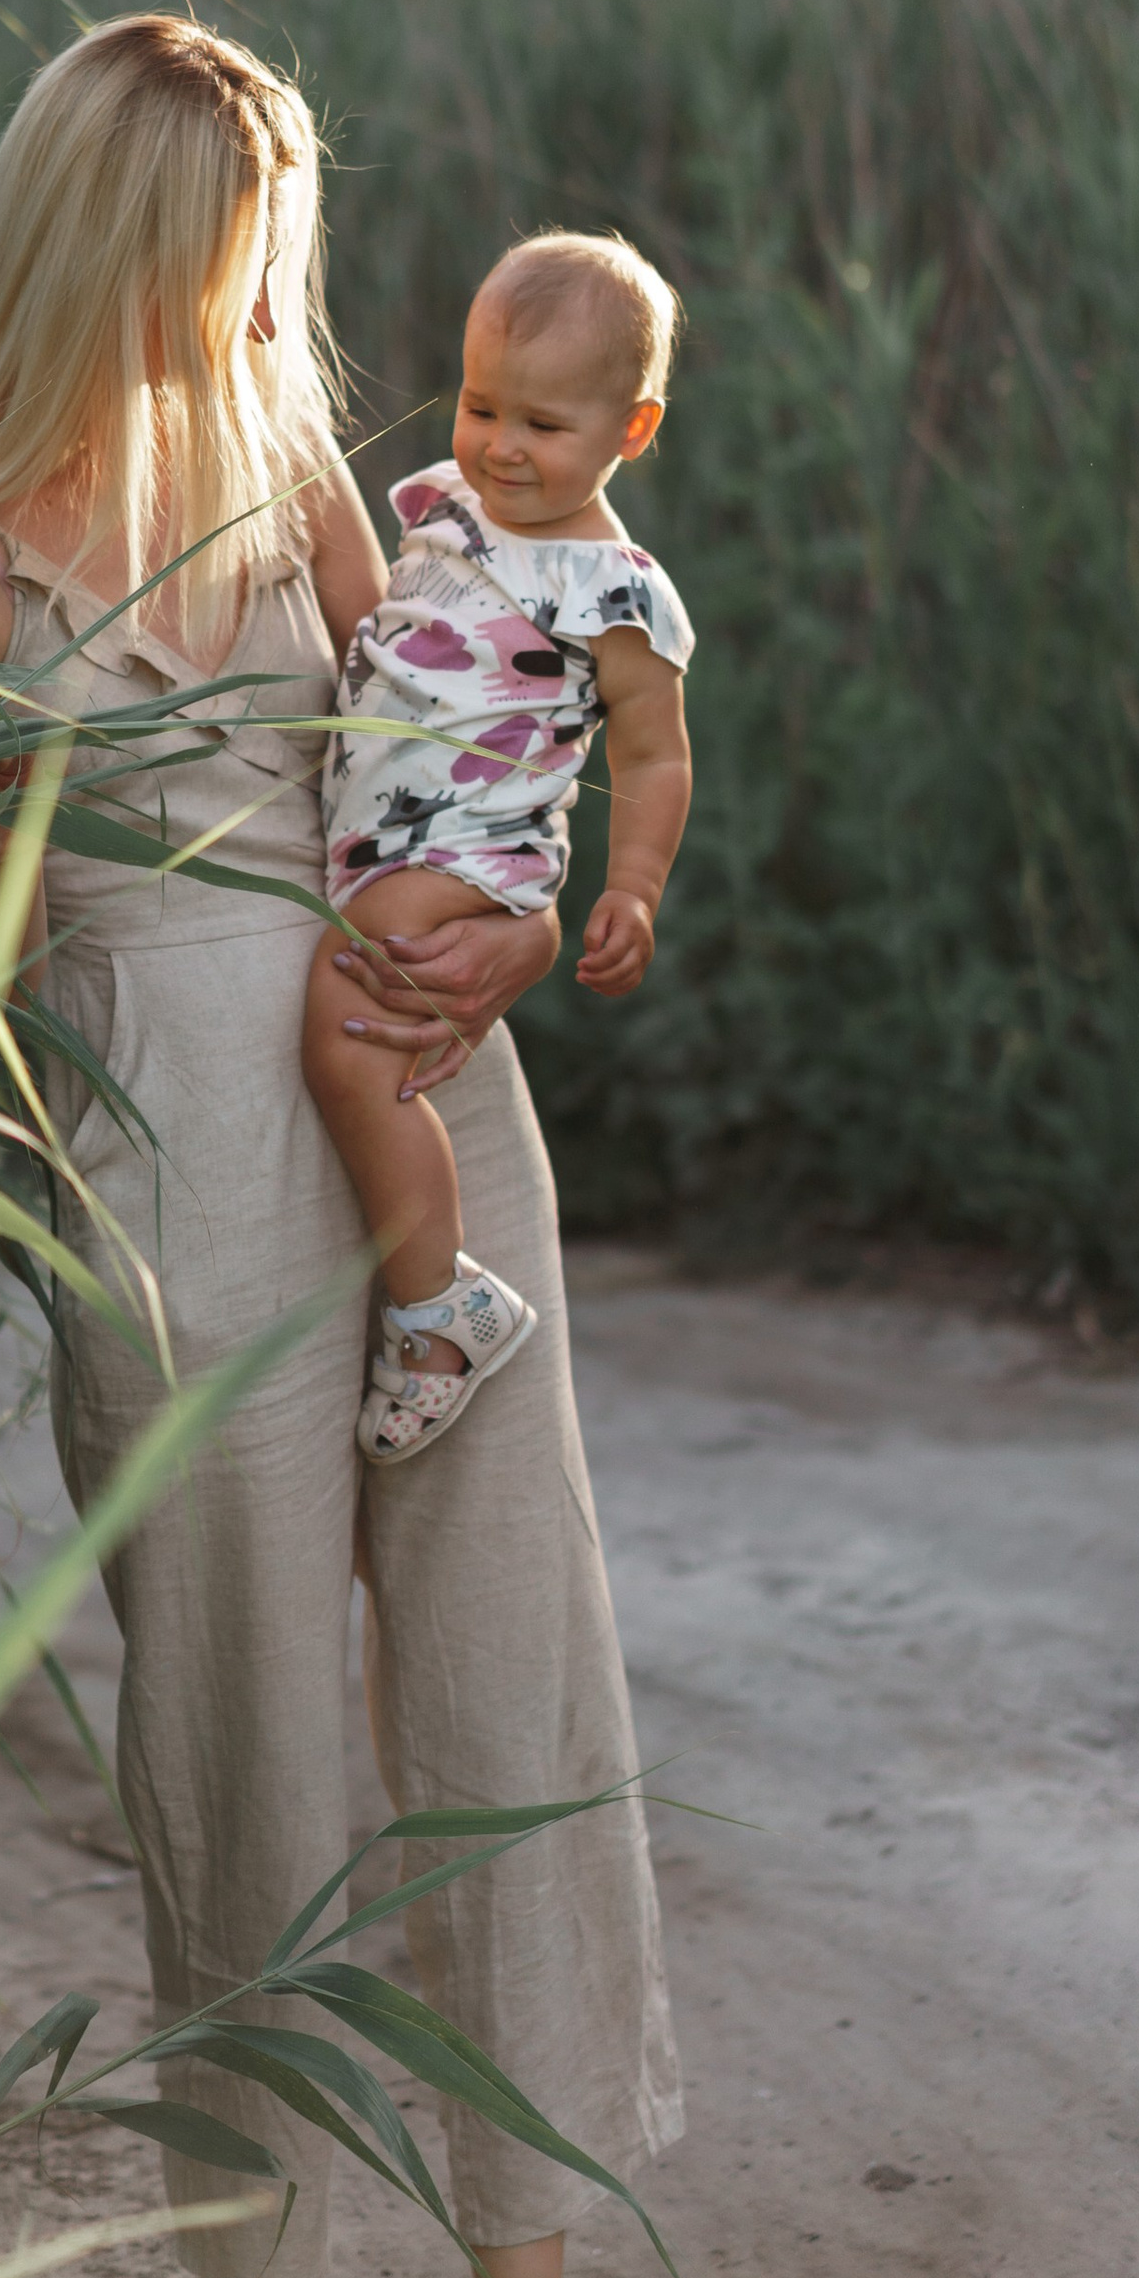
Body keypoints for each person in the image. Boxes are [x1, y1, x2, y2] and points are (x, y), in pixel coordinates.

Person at [0, 14, 680, 2278]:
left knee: (510, 1673)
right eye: (233, 256)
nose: (267, 306)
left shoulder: (309, 472)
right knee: (238, 1722)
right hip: (166, 1164)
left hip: (418, 1105)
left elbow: (465, 742)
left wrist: (518, 929)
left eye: (278, 260)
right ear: (116, 237)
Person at [303, 232, 693, 1463]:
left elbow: (655, 755)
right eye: (478, 405)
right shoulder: (446, 508)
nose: (500, 445)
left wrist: (631, 888)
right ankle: (420, 1288)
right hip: (382, 827)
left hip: (468, 842)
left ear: (631, 431)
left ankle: (440, 1307)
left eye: (542, 423)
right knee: (354, 1038)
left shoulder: (609, 590)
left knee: (350, 1035)